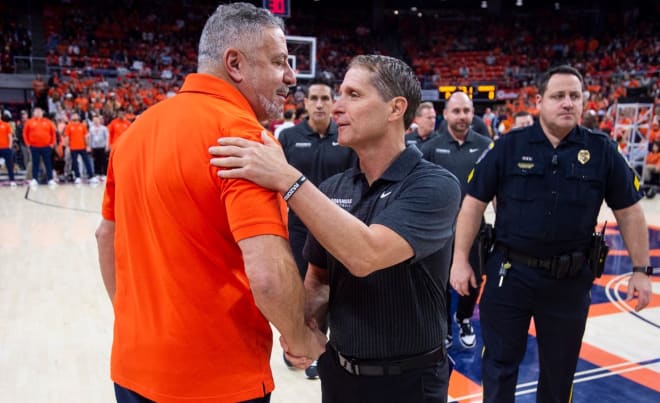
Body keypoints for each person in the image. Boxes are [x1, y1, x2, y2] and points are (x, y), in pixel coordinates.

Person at [95, 3, 325, 403]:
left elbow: (105, 236)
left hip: (133, 367)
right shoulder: (243, 140)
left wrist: (138, 322)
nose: (290, 76)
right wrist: (299, 337)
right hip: (218, 377)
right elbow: (267, 273)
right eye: (278, 62)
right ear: (234, 63)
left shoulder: (136, 132)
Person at [211, 54, 462, 403]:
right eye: (338, 95)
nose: (336, 107)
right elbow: (320, 279)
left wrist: (287, 178)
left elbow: (366, 254)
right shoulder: (333, 189)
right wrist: (303, 330)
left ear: (395, 108)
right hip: (339, 374)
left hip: (409, 381)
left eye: (353, 95)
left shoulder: (435, 186)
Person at [450, 65, 653, 403]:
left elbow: (629, 210)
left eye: (575, 96)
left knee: (560, 373)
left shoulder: (601, 150)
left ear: (584, 103)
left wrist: (640, 270)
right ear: (540, 102)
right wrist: (459, 260)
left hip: (569, 281)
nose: (568, 103)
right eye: (559, 96)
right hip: (509, 276)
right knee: (499, 366)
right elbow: (473, 203)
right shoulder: (509, 146)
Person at [276, 76, 356, 378]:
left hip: (339, 228)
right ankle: (304, 347)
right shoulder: (288, 137)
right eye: (315, 99)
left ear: (333, 102)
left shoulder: (346, 137)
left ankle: (334, 349)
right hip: (298, 228)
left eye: (325, 98)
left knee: (337, 289)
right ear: (305, 103)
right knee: (302, 291)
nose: (320, 104)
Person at [420, 91, 493, 350]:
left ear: (473, 113)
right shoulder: (429, 148)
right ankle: (444, 326)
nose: (462, 116)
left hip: (475, 229)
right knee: (439, 281)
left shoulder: (486, 146)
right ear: (446, 114)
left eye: (467, 111)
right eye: (457, 111)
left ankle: (463, 318)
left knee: (474, 279)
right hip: (439, 230)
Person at [23, 107, 57, 186]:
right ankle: (34, 179)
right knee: (35, 163)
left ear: (42, 113)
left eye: (39, 111)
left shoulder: (48, 122)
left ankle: (50, 179)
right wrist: (28, 144)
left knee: (48, 163)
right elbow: (25, 134)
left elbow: (53, 133)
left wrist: (52, 144)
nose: (38, 113)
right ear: (33, 113)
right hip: (34, 146)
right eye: (36, 111)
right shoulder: (29, 122)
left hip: (46, 147)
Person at [63, 113, 96, 184]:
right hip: (73, 147)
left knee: (87, 161)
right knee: (75, 163)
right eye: (73, 115)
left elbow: (86, 137)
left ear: (78, 117)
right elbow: (66, 137)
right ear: (71, 117)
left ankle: (91, 176)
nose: (75, 117)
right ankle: (77, 177)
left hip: (82, 147)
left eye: (76, 115)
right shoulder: (68, 126)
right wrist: (67, 145)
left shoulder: (82, 126)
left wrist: (87, 146)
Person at [0, 113, 16, 186]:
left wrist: (9, 146)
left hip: (6, 148)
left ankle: (12, 180)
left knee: (9, 165)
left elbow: (10, 136)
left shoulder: (6, 125)